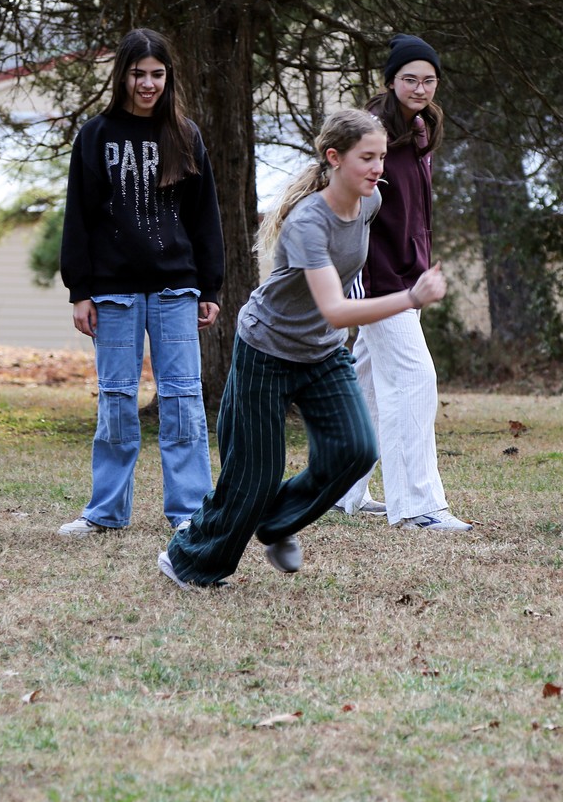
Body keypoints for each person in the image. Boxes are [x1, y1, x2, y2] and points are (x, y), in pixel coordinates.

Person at [158, 108, 448, 589]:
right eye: (367, 158)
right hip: (267, 349)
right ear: (334, 158)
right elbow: (335, 308)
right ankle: (187, 559)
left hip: (322, 353)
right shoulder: (307, 222)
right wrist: (411, 297)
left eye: (381, 157)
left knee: (355, 451)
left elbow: (339, 303)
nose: (378, 168)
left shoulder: (370, 201)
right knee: (253, 476)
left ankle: (276, 522)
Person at [57, 28, 224, 536]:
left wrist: (210, 289)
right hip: (113, 293)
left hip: (176, 290)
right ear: (122, 76)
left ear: (168, 76)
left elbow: (204, 218)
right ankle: (106, 512)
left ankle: (191, 513)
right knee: (115, 397)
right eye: (138, 74)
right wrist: (79, 290)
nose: (147, 84)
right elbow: (79, 218)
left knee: (182, 400)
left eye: (157, 74)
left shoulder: (185, 135)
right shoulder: (95, 135)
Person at [331, 34, 472, 531]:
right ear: (391, 81)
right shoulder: (373, 134)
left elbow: (412, 213)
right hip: (377, 280)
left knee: (367, 382)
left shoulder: (418, 130)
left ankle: (341, 489)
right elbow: (341, 197)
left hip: (406, 275)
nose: (419, 87)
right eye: (409, 78)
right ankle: (417, 506)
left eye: (428, 79)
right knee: (415, 379)